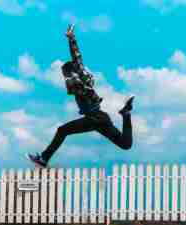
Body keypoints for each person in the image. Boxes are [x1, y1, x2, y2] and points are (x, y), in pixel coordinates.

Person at [27, 24, 135, 167]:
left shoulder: (76, 79)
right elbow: (77, 56)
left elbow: (77, 61)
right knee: (125, 144)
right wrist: (71, 38)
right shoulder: (78, 75)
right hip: (100, 117)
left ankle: (44, 159)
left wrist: (71, 39)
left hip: (94, 117)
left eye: (65, 74)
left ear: (70, 71)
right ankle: (126, 114)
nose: (65, 78)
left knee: (62, 130)